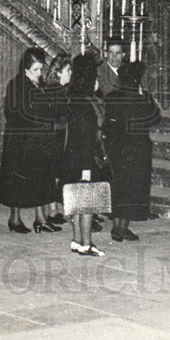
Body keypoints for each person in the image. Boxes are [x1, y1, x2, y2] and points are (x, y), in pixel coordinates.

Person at [0, 47, 62, 234]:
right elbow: (14, 113)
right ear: (25, 69)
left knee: (40, 180)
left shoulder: (37, 85)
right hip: (21, 142)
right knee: (18, 183)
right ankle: (14, 219)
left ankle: (40, 219)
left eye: (41, 69)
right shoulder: (17, 85)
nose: (39, 74)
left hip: (37, 141)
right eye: (35, 70)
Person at [102, 61, 161, 242]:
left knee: (119, 188)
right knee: (131, 190)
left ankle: (116, 227)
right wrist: (147, 98)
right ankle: (123, 228)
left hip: (117, 149)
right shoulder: (141, 98)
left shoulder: (111, 97)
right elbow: (155, 118)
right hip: (137, 151)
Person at [62, 53, 106, 256]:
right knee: (87, 203)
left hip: (70, 158)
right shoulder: (87, 106)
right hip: (84, 159)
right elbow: (87, 139)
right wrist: (87, 167)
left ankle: (77, 240)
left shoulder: (72, 98)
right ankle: (87, 244)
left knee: (76, 201)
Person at [41, 53, 72, 227]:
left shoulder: (61, 89)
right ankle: (52, 210)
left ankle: (55, 207)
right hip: (53, 137)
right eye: (68, 71)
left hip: (59, 136)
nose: (71, 74)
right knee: (53, 173)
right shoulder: (55, 90)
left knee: (57, 173)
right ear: (58, 72)